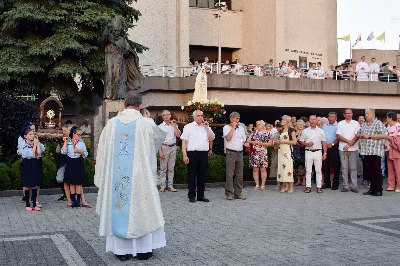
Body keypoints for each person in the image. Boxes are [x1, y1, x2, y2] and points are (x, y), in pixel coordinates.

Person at [95, 92, 167, 261]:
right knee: (142, 210)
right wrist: (148, 118)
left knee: (119, 207)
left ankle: (121, 252)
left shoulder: (111, 124)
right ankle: (143, 251)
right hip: (140, 177)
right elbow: (158, 140)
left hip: (117, 177)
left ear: (124, 105)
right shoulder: (146, 123)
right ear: (140, 106)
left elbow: (102, 150)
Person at [181, 110, 215, 203]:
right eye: (198, 116)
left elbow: (211, 138)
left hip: (203, 153)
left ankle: (201, 195)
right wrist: (184, 155)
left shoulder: (206, 126)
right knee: (192, 176)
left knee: (202, 176)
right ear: (194, 117)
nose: (200, 117)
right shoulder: (188, 127)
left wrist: (207, 128)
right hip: (192, 153)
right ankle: (191, 195)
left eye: (202, 116)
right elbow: (184, 141)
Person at [357, 108, 387, 197]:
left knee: (376, 171)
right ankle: (372, 189)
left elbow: (385, 135)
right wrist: (360, 135)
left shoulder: (378, 123)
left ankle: (378, 190)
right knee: (369, 172)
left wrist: (369, 136)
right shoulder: (364, 124)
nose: (366, 115)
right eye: (365, 114)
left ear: (373, 115)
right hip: (366, 151)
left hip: (375, 151)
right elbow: (358, 134)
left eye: (368, 114)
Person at [62, 126, 88, 208]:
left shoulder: (81, 142)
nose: (79, 136)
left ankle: (78, 200)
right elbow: (63, 152)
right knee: (72, 183)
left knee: (78, 183)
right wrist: (65, 142)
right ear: (73, 134)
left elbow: (86, 154)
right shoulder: (69, 142)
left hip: (78, 162)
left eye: (80, 135)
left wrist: (80, 151)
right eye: (78, 134)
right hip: (70, 162)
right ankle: (73, 200)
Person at [299, 115, 327, 193]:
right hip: (308, 151)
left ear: (316, 121)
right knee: (308, 170)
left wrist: (325, 153)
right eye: (311, 119)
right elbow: (301, 141)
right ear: (309, 120)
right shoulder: (305, 131)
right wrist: (307, 144)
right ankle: (308, 187)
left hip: (318, 151)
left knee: (318, 170)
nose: (313, 121)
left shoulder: (321, 131)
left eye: (314, 119)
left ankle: (319, 187)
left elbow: (324, 142)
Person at [19, 126, 44, 211]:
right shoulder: (23, 144)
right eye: (30, 134)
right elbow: (30, 154)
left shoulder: (35, 142)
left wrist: (37, 144)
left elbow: (39, 153)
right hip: (27, 164)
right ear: (25, 136)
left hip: (35, 164)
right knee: (27, 185)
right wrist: (35, 145)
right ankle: (27, 204)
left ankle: (34, 204)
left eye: (33, 134)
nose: (32, 135)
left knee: (34, 185)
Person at [223, 112, 247, 200]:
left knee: (239, 174)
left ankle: (238, 193)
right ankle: (229, 193)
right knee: (230, 174)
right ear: (231, 119)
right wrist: (233, 127)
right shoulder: (226, 127)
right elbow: (228, 138)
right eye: (236, 118)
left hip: (240, 152)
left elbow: (244, 140)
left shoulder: (241, 128)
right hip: (231, 153)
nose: (238, 120)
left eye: (239, 118)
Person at [336, 109, 360, 193]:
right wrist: (348, 142)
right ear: (344, 115)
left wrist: (350, 144)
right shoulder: (340, 123)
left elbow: (357, 135)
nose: (348, 114)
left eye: (350, 113)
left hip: (353, 148)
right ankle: (345, 186)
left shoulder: (356, 123)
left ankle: (354, 186)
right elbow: (338, 135)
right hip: (343, 148)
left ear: (352, 114)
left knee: (353, 168)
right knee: (344, 167)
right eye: (346, 113)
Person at [158, 110, 181, 192]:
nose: (166, 116)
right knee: (163, 168)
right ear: (162, 117)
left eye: (167, 115)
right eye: (164, 115)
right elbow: (158, 140)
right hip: (164, 147)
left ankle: (170, 186)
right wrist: (160, 151)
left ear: (170, 115)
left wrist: (174, 126)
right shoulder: (160, 127)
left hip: (173, 147)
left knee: (171, 168)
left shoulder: (174, 125)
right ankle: (162, 186)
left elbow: (178, 135)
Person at [247, 120, 273, 191]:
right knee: (255, 169)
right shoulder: (254, 133)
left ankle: (263, 185)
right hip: (255, 153)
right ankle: (257, 184)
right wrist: (253, 142)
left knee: (263, 169)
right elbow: (248, 140)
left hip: (263, 153)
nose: (257, 126)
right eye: (257, 124)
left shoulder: (268, 133)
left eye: (259, 124)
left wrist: (261, 144)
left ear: (263, 125)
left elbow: (271, 144)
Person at [276, 115, 297, 193]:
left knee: (288, 168)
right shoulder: (281, 130)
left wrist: (283, 142)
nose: (282, 121)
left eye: (283, 120)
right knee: (282, 168)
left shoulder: (291, 130)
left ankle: (291, 186)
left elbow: (294, 142)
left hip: (288, 151)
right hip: (281, 151)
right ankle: (285, 186)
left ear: (287, 121)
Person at [321, 112, 340, 190]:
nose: (331, 118)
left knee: (335, 166)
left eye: (332, 117)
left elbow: (339, 138)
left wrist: (332, 144)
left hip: (334, 148)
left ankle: (335, 183)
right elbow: (322, 137)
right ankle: (327, 182)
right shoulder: (324, 126)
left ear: (335, 118)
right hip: (325, 148)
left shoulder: (338, 126)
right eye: (329, 116)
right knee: (325, 166)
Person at [385, 112, 400, 192]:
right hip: (388, 148)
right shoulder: (388, 126)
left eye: (387, 118)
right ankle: (391, 185)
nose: (386, 119)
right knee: (390, 168)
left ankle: (399, 186)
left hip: (396, 148)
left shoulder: (398, 126)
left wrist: (389, 138)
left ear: (390, 118)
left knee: (398, 168)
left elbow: (398, 139)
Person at [294, 120, 306, 186]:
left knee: (304, 165)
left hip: (304, 150)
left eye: (302, 124)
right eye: (299, 124)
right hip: (296, 150)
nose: (300, 126)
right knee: (297, 165)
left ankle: (304, 180)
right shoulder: (294, 133)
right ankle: (298, 180)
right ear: (296, 126)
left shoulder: (305, 132)